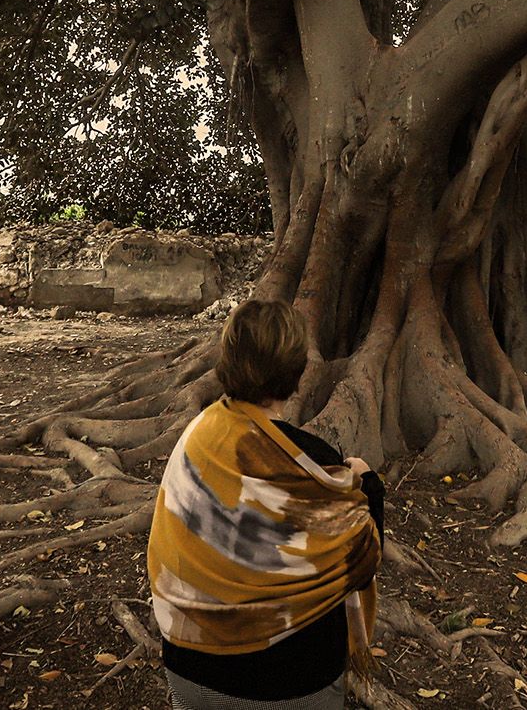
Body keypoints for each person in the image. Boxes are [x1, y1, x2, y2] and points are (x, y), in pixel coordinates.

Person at [147, 300, 384, 709]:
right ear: (296, 374)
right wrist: (369, 486)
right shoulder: (317, 463)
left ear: (228, 359)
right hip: (292, 685)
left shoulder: (196, 437)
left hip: (190, 671)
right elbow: (361, 557)